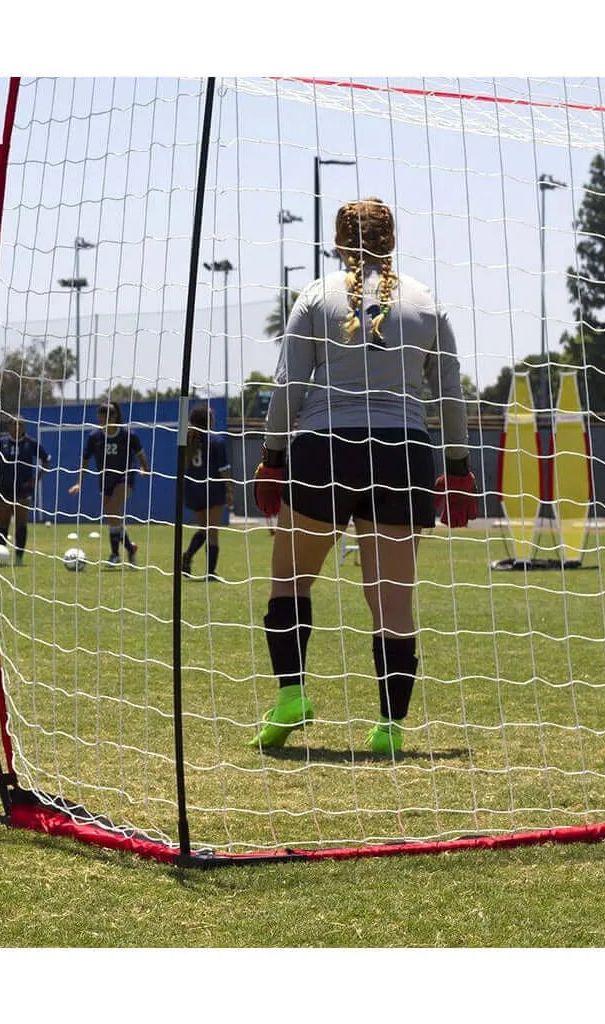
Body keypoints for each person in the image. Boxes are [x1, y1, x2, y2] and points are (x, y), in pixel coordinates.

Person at [251, 196, 478, 756]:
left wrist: (272, 459)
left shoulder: (312, 297)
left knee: (290, 581)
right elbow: (450, 396)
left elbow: (288, 391)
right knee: (392, 600)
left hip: (323, 450)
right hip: (402, 454)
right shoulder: (427, 302)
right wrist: (457, 469)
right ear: (391, 242)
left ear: (336, 242)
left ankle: (290, 697)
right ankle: (389, 728)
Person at [68, 401, 150, 566]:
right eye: (101, 415)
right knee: (112, 517)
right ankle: (130, 547)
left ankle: (114, 555)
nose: (104, 418)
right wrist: (78, 483)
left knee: (112, 510)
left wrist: (144, 468)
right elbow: (85, 460)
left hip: (125, 477)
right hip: (105, 479)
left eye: (108, 415)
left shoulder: (128, 435)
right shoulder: (94, 437)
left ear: (115, 416)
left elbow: (141, 454)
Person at [0, 415, 51, 567]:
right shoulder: (1, 442)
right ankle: (0, 554)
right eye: (14, 424)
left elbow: (46, 459)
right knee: (3, 521)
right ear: (8, 426)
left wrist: (37, 479)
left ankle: (19, 557)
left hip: (23, 488)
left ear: (25, 427)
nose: (17, 427)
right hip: (4, 487)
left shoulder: (30, 443)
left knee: (21, 522)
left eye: (21, 424)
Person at [181, 404, 234, 580]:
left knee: (204, 528)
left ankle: (188, 555)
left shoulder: (187, 440)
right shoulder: (216, 441)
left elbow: (185, 467)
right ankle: (210, 572)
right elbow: (224, 469)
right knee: (212, 531)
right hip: (212, 489)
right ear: (208, 420)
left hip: (193, 489)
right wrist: (229, 490)